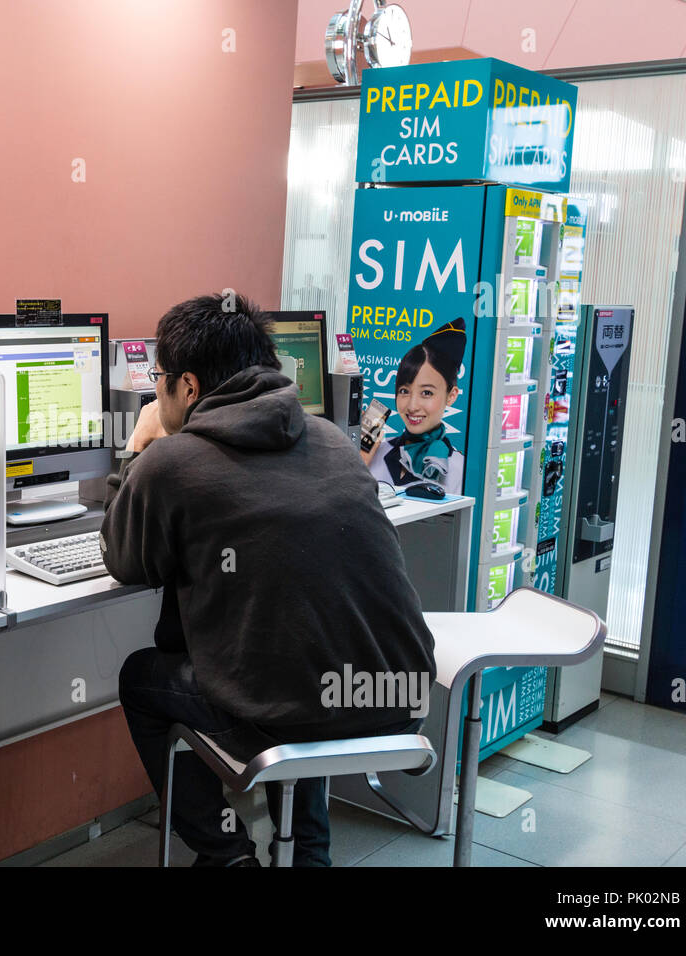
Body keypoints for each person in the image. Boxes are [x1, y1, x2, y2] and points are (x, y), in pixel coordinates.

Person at [101, 293, 437, 867]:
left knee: (143, 677)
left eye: (159, 378)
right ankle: (310, 856)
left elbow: (124, 558)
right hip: (398, 696)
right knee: (306, 656)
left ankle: (228, 857)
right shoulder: (331, 439)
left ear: (185, 387)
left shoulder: (172, 462)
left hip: (293, 706)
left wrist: (136, 448)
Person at [362, 318, 467, 494]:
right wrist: (359, 463)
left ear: (451, 396)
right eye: (404, 391)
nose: (412, 406)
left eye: (426, 393)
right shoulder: (375, 453)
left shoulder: (460, 470)